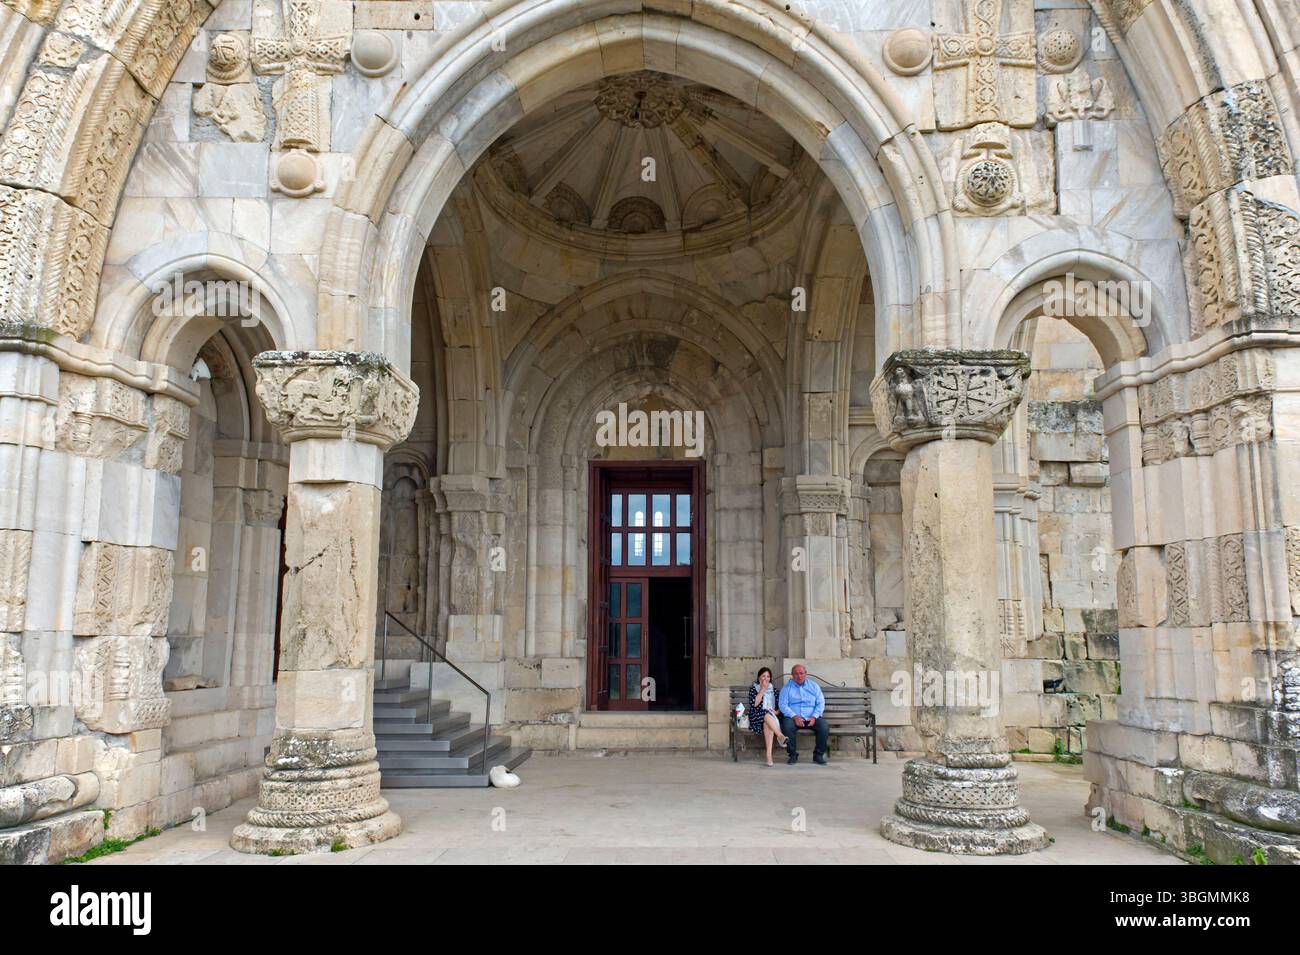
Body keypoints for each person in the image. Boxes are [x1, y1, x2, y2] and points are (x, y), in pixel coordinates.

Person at [778, 664, 828, 765]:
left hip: (812, 717)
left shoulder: (814, 686)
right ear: (792, 675)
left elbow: (820, 703)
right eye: (796, 674)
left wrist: (814, 717)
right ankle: (792, 755)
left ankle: (818, 755)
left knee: (824, 726)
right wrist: (794, 716)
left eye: (801, 673)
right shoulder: (787, 688)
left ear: (805, 674)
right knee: (786, 725)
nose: (799, 676)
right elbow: (782, 705)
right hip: (793, 718)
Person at [747, 667, 789, 766]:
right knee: (765, 714)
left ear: (770, 678)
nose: (766, 679)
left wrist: (776, 712)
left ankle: (769, 756)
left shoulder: (774, 690)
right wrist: (762, 689)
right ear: (758, 678)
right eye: (763, 676)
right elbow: (755, 705)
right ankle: (780, 736)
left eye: (768, 676)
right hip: (756, 717)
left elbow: (780, 707)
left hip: (771, 719)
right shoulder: (754, 689)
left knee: (767, 724)